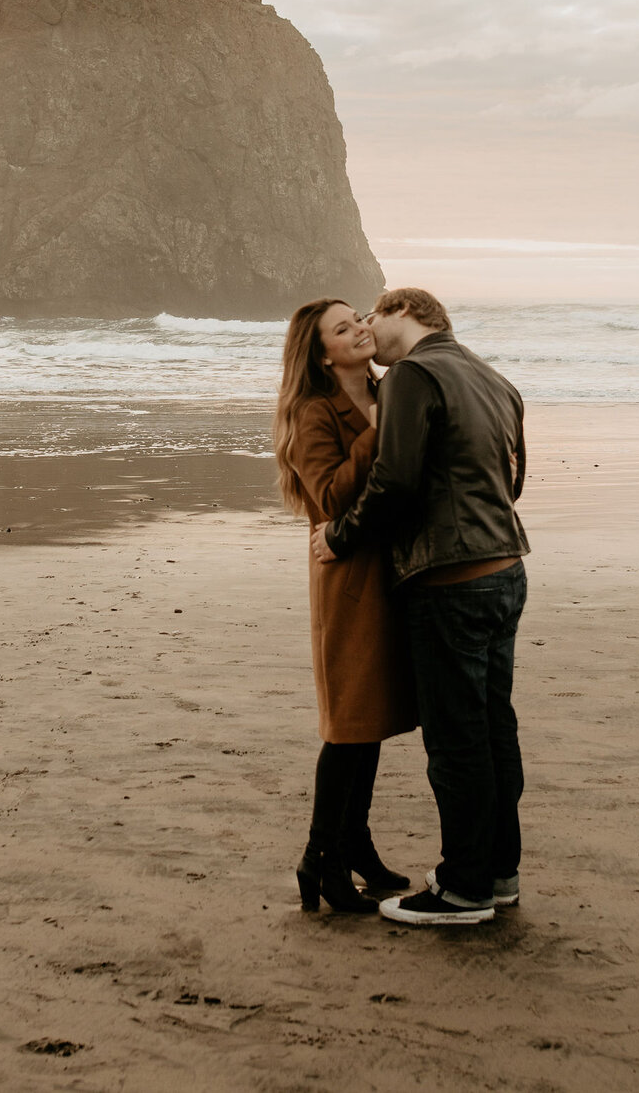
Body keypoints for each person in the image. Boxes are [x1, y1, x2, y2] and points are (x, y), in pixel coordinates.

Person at [314, 286, 529, 927]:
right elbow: (512, 479)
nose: (367, 329)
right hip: (507, 569)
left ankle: (463, 891)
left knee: (458, 741)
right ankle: (497, 870)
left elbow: (396, 481)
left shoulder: (413, 374)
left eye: (372, 316)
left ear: (404, 313)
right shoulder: (495, 378)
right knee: (495, 731)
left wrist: (340, 535)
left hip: (449, 580)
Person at [273, 297, 418, 913]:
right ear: (322, 353)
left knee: (371, 721)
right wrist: (381, 429)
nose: (360, 329)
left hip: (391, 572)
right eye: (342, 329)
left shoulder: (392, 391)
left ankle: (354, 844)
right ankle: (318, 861)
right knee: (347, 728)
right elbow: (330, 496)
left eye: (358, 318)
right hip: (347, 576)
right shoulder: (314, 411)